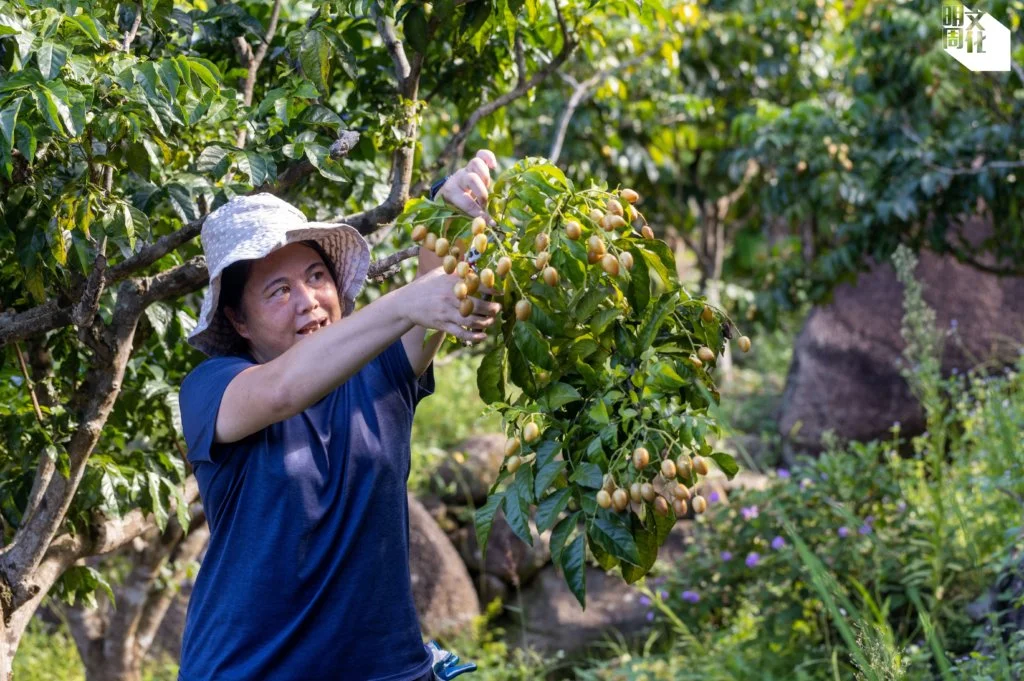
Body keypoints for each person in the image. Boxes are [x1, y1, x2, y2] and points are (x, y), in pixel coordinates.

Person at [176, 151, 502, 681]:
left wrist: (451, 210)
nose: (309, 302)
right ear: (238, 319)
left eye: (316, 276)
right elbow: (282, 391)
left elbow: (435, 291)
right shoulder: (212, 389)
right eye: (278, 291)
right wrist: (401, 305)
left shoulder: (378, 373)